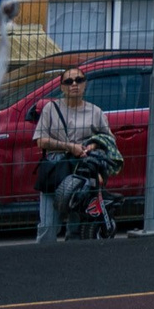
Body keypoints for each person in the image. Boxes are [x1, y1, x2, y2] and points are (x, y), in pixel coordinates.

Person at [32, 68, 111, 242]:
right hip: (55, 167)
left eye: (79, 80)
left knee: (77, 225)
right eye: (69, 81)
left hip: (82, 168)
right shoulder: (50, 109)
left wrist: (90, 146)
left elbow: (107, 139)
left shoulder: (95, 112)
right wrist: (69, 147)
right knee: (48, 224)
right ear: (61, 87)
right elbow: (40, 141)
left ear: (85, 84)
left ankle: (71, 261)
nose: (74, 84)